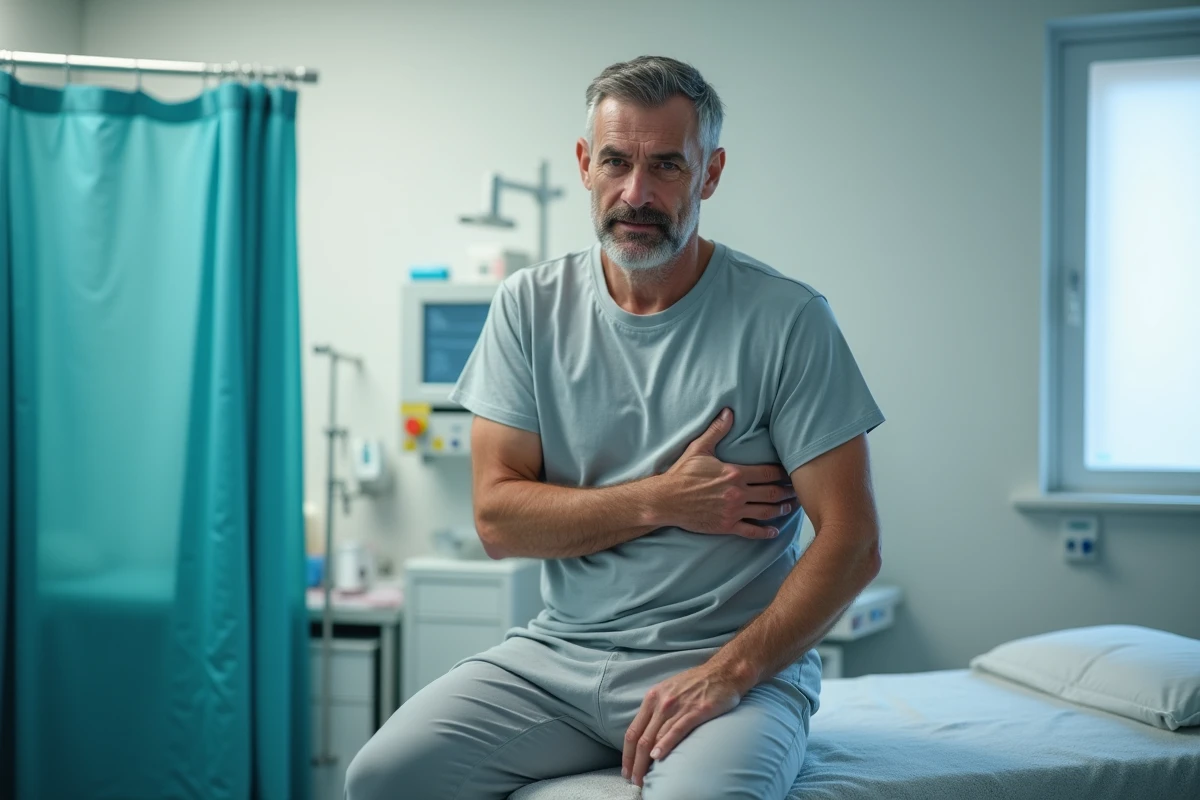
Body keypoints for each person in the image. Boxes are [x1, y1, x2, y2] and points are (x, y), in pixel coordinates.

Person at [346, 55, 885, 800]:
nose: (638, 193)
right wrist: (663, 498)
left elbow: (853, 540)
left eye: (667, 165)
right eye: (617, 162)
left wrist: (727, 674)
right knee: (381, 778)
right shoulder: (528, 307)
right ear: (584, 164)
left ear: (711, 173)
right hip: (558, 660)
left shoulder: (786, 320)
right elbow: (499, 521)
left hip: (719, 660)